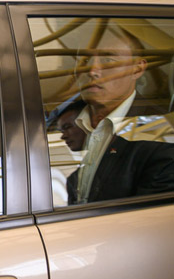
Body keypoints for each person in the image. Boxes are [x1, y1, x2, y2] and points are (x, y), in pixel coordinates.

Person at [67, 28, 174, 203]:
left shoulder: (159, 132)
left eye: (108, 60)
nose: (92, 71)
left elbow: (148, 217)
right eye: (86, 60)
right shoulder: (72, 124)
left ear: (137, 69)